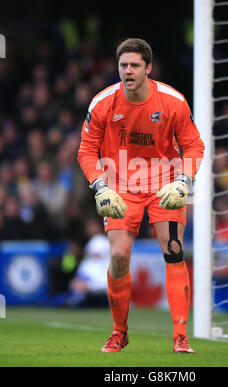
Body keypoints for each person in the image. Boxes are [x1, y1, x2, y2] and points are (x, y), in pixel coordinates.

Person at [77, 38, 205, 353]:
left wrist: (184, 181)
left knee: (173, 250)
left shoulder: (173, 102)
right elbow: (87, 150)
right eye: (123, 65)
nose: (128, 71)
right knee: (119, 256)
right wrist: (100, 185)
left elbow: (194, 145)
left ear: (148, 68)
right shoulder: (103, 102)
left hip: (165, 182)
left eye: (135, 65)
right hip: (120, 184)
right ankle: (119, 332)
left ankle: (180, 336)